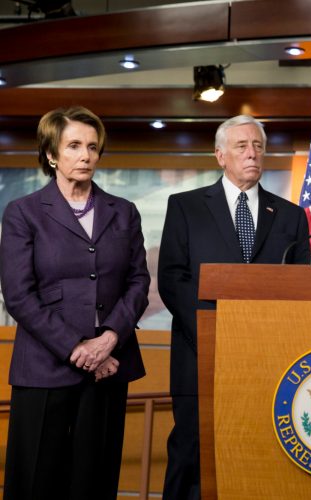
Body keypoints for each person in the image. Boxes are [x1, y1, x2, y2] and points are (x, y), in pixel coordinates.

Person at [0, 106, 150, 499]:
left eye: (93, 147)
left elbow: (138, 281)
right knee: (35, 480)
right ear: (51, 154)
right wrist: (79, 349)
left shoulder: (124, 212)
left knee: (94, 481)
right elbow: (18, 293)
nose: (85, 155)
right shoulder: (23, 213)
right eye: (74, 146)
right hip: (44, 366)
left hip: (109, 367)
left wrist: (108, 341)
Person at [158, 115, 310, 499]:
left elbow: (300, 285)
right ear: (219, 155)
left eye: (258, 146)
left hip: (268, 358)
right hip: (199, 353)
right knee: (191, 451)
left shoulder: (290, 215)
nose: (252, 154)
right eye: (242, 146)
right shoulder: (186, 207)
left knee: (256, 452)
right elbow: (172, 279)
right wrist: (213, 333)